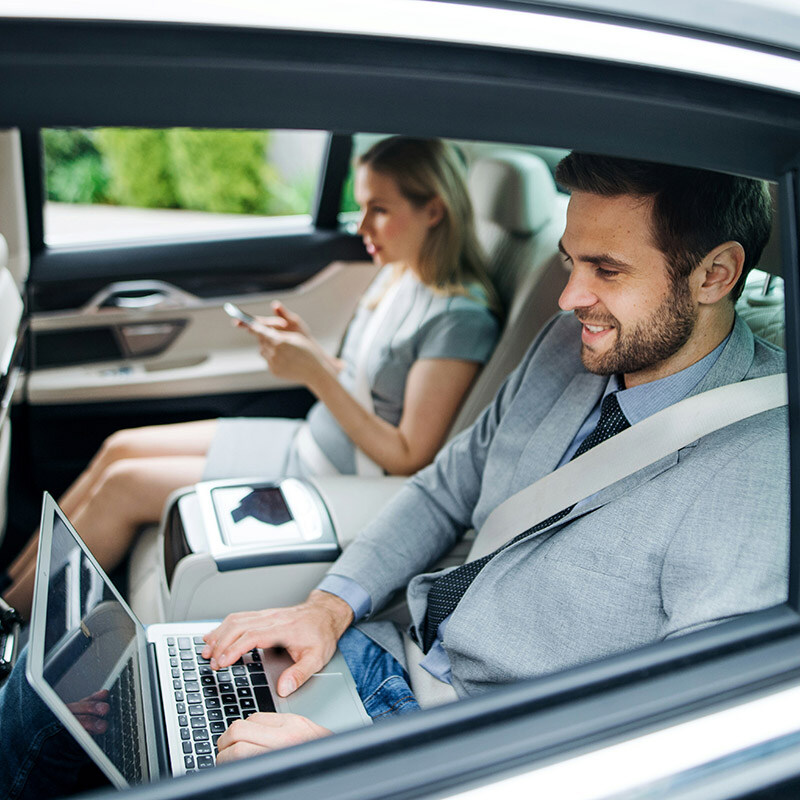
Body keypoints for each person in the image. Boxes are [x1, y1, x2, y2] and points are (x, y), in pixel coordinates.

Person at [0, 152, 788, 794]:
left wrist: (367, 777)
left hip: (456, 754)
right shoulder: (561, 351)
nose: (570, 295)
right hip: (379, 650)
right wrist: (327, 607)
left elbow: (676, 741)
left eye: (607, 271)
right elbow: (444, 487)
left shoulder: (760, 473)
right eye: (568, 261)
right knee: (68, 704)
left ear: (716, 273)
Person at [2, 136, 502, 620]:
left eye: (380, 209)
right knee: (119, 447)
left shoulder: (459, 318)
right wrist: (309, 351)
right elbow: (366, 386)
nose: (363, 225)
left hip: (336, 477)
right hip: (307, 441)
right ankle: (9, 590)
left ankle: (10, 618)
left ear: (434, 211)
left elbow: (408, 456)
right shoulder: (399, 276)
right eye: (363, 205)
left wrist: (314, 376)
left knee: (125, 485)